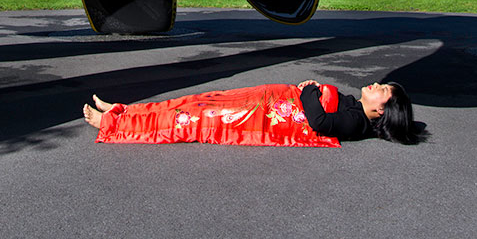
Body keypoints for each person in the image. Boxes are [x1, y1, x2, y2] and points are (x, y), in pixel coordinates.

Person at [82, 79, 423, 146]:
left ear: (382, 111)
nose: (378, 86)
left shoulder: (354, 120)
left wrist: (308, 90)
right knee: (194, 101)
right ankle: (125, 111)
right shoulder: (353, 105)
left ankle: (114, 126)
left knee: (191, 118)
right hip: (262, 101)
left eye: (384, 92)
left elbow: (318, 123)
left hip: (254, 115)